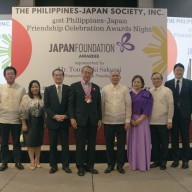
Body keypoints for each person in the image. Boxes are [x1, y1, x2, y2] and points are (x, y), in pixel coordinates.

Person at [69, 66, 102, 176]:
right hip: (79, 120)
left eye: (89, 73)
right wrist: (72, 118)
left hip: (93, 121)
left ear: (92, 74)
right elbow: (71, 104)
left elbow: (98, 105)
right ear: (81, 73)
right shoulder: (74, 86)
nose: (87, 75)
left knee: (92, 145)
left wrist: (100, 119)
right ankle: (80, 166)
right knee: (80, 145)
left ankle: (90, 166)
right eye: (85, 72)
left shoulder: (96, 88)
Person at [101, 70, 132, 174]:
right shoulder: (105, 89)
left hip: (121, 122)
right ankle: (110, 165)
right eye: (113, 76)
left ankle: (120, 165)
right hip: (108, 121)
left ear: (120, 77)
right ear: (110, 77)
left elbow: (128, 105)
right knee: (109, 145)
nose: (115, 77)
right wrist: (101, 119)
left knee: (121, 145)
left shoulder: (125, 88)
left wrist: (127, 120)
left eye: (117, 76)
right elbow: (102, 105)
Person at [44, 68, 71, 174]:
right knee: (53, 145)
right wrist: (54, 116)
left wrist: (65, 115)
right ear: (53, 76)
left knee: (65, 145)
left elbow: (70, 105)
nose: (58, 77)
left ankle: (66, 165)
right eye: (56, 75)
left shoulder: (68, 89)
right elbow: (46, 106)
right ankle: (53, 166)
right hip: (53, 122)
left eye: (60, 75)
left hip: (64, 121)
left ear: (63, 76)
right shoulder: (48, 89)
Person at [165, 63, 192, 169]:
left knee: (185, 139)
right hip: (173, 116)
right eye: (177, 70)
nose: (179, 72)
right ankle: (175, 160)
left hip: (185, 115)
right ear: (174, 71)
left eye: (181, 70)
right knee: (174, 139)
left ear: (183, 71)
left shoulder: (190, 83)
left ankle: (185, 160)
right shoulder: (168, 83)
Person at [0, 66, 26, 171]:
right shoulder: (0, 88)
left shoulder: (21, 88)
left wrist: (23, 121)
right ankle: (4, 162)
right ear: (5, 76)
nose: (10, 75)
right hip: (3, 120)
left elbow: (23, 106)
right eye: (8, 74)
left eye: (12, 73)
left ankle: (17, 162)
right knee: (4, 143)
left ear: (15, 75)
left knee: (16, 143)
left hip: (16, 120)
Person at [127, 75, 153, 171]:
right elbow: (125, 107)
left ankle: (143, 165)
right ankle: (133, 165)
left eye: (138, 82)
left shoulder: (147, 94)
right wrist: (130, 119)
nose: (136, 83)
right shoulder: (128, 94)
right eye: (134, 82)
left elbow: (148, 108)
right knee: (133, 142)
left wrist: (139, 120)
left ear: (142, 83)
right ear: (132, 83)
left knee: (142, 142)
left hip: (143, 120)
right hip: (131, 120)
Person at [150, 72, 174, 170]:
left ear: (161, 79)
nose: (156, 80)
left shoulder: (167, 91)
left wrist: (169, 120)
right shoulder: (150, 91)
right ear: (151, 80)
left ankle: (163, 161)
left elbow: (171, 106)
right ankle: (156, 161)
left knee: (164, 143)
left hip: (163, 122)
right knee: (155, 143)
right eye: (154, 79)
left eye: (158, 78)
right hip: (151, 122)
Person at [20, 80, 45, 170]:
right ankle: (31, 160)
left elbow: (45, 112)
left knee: (38, 143)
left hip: (40, 123)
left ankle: (37, 160)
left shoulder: (42, 97)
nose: (35, 88)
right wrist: (24, 124)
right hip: (29, 122)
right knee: (30, 143)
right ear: (30, 88)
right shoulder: (26, 97)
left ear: (39, 87)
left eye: (36, 87)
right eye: (33, 87)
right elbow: (23, 111)